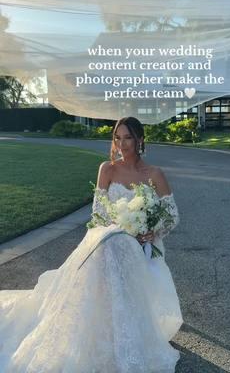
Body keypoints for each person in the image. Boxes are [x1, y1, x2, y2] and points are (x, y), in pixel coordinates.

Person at [0, 116, 183, 373]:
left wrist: (152, 232)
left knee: (120, 248)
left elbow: (172, 215)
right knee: (113, 246)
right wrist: (119, 229)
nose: (122, 144)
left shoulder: (154, 174)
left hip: (143, 244)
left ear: (140, 139)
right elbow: (98, 215)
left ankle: (125, 331)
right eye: (117, 138)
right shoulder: (106, 169)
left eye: (128, 137)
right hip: (107, 238)